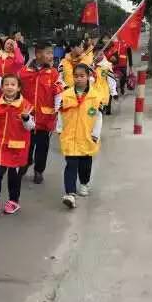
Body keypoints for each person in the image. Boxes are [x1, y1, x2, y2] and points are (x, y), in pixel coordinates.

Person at [0, 74, 35, 218]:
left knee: (14, 177)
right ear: (2, 87)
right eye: (6, 84)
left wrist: (26, 118)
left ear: (18, 88)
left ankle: (13, 201)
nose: (9, 87)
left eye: (13, 84)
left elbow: (31, 127)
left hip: (17, 148)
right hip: (0, 145)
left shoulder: (27, 105)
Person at [56, 64, 103, 209]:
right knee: (71, 164)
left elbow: (98, 117)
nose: (79, 79)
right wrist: (59, 129)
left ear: (88, 77)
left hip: (87, 136)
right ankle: (70, 193)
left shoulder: (95, 96)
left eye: (82, 76)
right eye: (76, 76)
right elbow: (61, 112)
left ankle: (84, 183)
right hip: (70, 136)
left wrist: (95, 134)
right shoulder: (66, 95)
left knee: (85, 164)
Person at [19, 41, 62, 184]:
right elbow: (17, 92)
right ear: (38, 54)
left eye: (52, 53)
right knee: (27, 144)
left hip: (46, 119)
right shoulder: (24, 72)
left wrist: (58, 110)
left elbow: (59, 92)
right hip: (28, 118)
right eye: (48, 53)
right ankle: (25, 162)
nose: (51, 56)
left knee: (42, 147)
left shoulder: (54, 73)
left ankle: (39, 170)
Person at [92, 43, 118, 115]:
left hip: (103, 93)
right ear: (93, 54)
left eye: (101, 54)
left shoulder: (107, 66)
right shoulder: (90, 65)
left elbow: (111, 80)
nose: (99, 56)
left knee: (98, 113)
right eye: (96, 54)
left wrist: (114, 92)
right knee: (92, 114)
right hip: (92, 93)